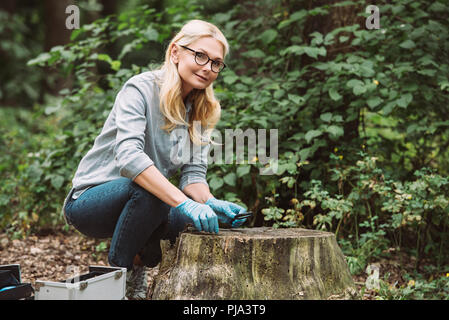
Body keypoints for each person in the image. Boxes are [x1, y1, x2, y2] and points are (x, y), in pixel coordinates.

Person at [62, 20, 248, 300]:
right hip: (89, 203)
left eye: (216, 63)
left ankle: (139, 271)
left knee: (187, 218)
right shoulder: (140, 89)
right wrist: (184, 202)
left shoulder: (201, 109)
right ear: (175, 52)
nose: (208, 67)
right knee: (155, 193)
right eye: (200, 56)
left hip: (142, 202)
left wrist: (208, 203)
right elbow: (129, 157)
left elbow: (193, 176)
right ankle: (117, 281)